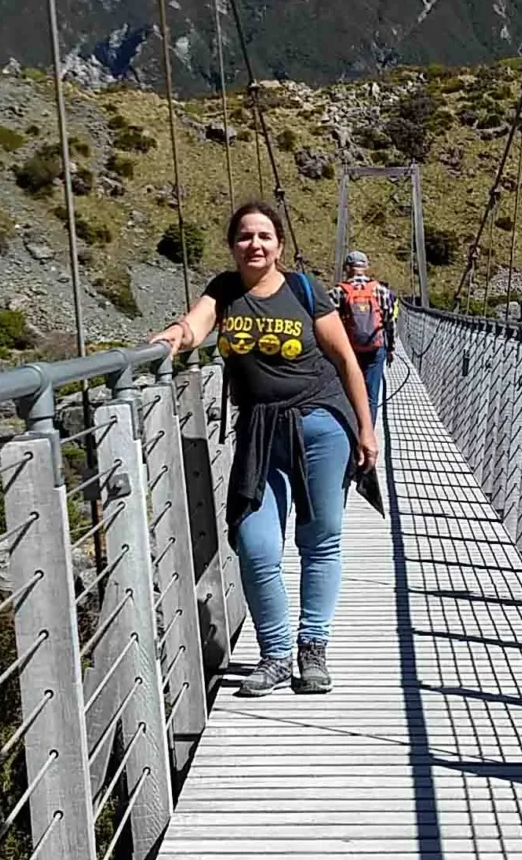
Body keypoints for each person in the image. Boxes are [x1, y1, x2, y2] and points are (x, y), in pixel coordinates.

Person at [151, 202, 378, 696]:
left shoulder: (303, 290)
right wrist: (174, 336)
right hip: (259, 431)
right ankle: (275, 655)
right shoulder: (225, 290)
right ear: (232, 245)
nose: (254, 244)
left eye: (264, 236)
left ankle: (312, 647)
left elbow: (345, 358)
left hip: (322, 424)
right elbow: (195, 326)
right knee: (255, 545)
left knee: (319, 538)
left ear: (278, 245)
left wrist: (366, 429)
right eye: (244, 236)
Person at [334, 250, 396, 425]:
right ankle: (367, 432)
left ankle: (350, 429)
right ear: (366, 267)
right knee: (371, 395)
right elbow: (390, 322)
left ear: (347, 268)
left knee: (349, 391)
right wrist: (390, 348)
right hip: (375, 347)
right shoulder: (382, 291)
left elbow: (327, 322)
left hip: (349, 349)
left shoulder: (338, 292)